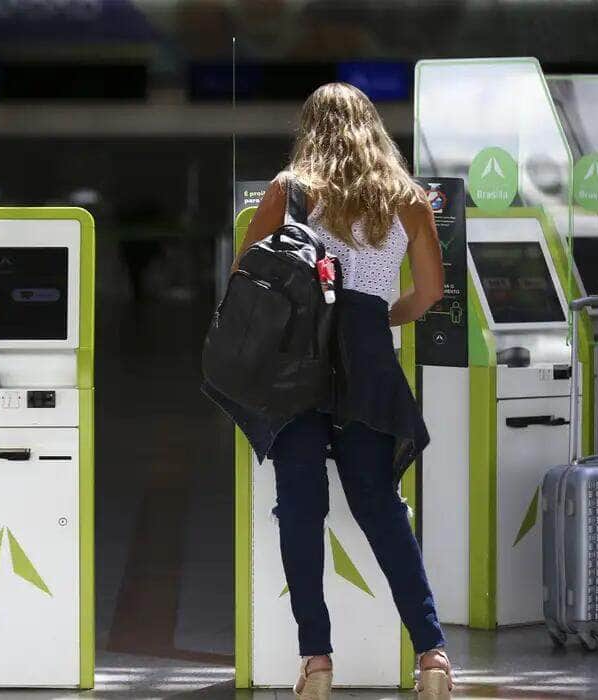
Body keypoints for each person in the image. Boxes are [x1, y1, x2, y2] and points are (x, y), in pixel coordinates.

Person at [233, 83, 449, 699]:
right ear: (374, 127)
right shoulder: (408, 199)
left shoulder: (290, 191)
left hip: (299, 361)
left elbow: (245, 276)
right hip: (369, 360)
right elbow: (430, 293)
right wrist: (379, 318)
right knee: (380, 506)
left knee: (300, 508)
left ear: (310, 129)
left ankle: (317, 663)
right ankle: (431, 655)